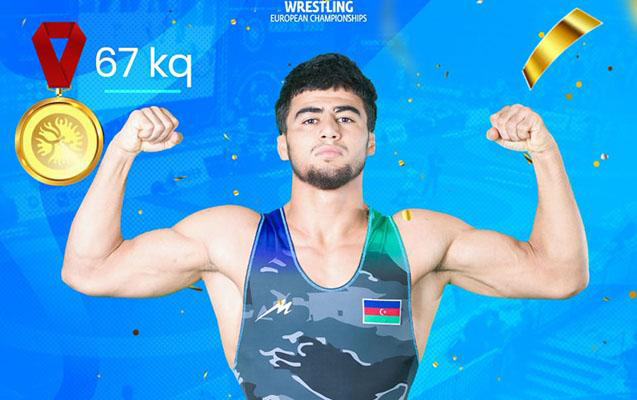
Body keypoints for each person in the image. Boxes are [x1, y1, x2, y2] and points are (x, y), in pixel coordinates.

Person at [61, 53, 589, 399]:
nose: (329, 129)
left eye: (347, 116)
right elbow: (88, 270)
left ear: (371, 141)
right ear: (283, 144)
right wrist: (122, 150)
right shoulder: (232, 239)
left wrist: (544, 153)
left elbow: (560, 274)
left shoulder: (417, 241)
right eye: (309, 118)